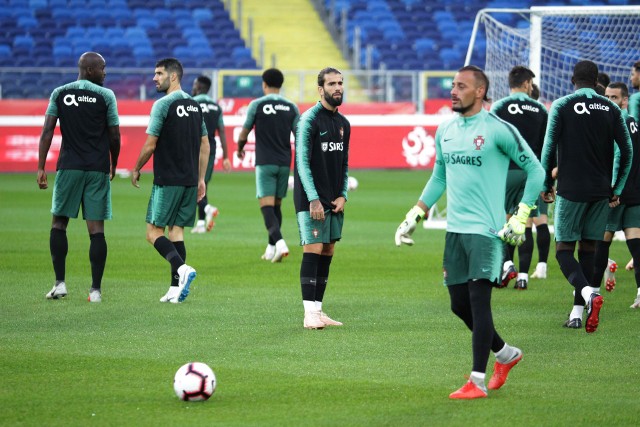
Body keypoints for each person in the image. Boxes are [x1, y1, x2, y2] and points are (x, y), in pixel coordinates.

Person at [395, 65, 544, 399]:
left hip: (487, 232)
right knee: (458, 304)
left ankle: (476, 381)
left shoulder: (498, 129)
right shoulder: (445, 130)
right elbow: (439, 177)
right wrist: (415, 213)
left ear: (479, 91)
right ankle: (505, 354)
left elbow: (536, 169)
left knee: (479, 303)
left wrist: (521, 214)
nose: (453, 91)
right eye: (452, 85)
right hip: (456, 232)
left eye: (461, 86)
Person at [540, 60, 633, 332]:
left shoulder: (561, 105)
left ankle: (589, 294)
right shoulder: (612, 109)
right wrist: (617, 188)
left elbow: (548, 149)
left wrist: (547, 182)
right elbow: (627, 152)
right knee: (590, 251)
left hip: (571, 190)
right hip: (601, 192)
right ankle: (577, 313)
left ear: (572, 80)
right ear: (597, 83)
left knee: (564, 251)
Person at [37, 52, 121, 303]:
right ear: (90, 70)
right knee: (96, 231)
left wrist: (41, 167)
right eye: (103, 68)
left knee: (58, 224)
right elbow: (115, 135)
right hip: (96, 169)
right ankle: (95, 291)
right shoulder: (106, 96)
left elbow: (47, 131)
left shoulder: (60, 93)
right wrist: (113, 163)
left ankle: (60, 283)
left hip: (69, 167)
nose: (105, 72)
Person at [131, 58, 210, 303]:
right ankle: (175, 289)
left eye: (159, 73)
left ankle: (182, 268)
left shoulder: (163, 105)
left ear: (173, 76)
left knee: (153, 232)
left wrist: (136, 167)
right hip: (188, 179)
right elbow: (205, 144)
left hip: (167, 179)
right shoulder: (195, 106)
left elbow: (150, 143)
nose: (154, 78)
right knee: (177, 232)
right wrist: (201, 179)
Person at [294, 67, 350, 330]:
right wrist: (314, 199)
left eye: (340, 82)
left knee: (328, 249)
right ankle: (308, 314)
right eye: (331, 83)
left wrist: (343, 194)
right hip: (311, 198)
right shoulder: (308, 120)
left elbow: (344, 164)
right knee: (313, 248)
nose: (337, 87)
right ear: (320, 89)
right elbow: (302, 163)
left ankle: (318, 310)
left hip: (333, 199)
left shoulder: (343, 124)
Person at [490, 66, 548, 290]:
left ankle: (506, 265)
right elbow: (546, 147)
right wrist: (546, 181)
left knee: (504, 222)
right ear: (526, 84)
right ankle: (523, 276)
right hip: (532, 174)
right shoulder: (540, 109)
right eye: (531, 83)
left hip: (507, 171)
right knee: (525, 224)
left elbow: (490, 140)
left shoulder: (499, 107)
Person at [236, 68, 300, 262]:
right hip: (284, 162)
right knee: (276, 206)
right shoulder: (291, 107)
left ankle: (280, 243)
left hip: (264, 162)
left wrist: (240, 148)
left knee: (266, 207)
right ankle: (271, 248)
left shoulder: (256, 105)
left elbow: (244, 133)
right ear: (280, 85)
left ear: (264, 84)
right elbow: (299, 135)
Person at [592, 82, 640, 308]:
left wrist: (613, 189)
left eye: (614, 97)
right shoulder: (635, 125)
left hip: (617, 193)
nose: (609, 100)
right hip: (635, 193)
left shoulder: (615, 122)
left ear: (624, 100)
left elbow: (619, 158)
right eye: (607, 96)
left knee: (601, 243)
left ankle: (592, 293)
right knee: (636, 245)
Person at [191, 75, 231, 234]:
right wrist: (226, 157)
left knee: (193, 184)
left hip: (194, 147)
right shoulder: (216, 107)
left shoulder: (191, 103)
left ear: (199, 87)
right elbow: (222, 131)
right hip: (211, 149)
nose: (193, 88)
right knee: (203, 184)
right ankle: (201, 222)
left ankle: (207, 208)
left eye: (194, 85)